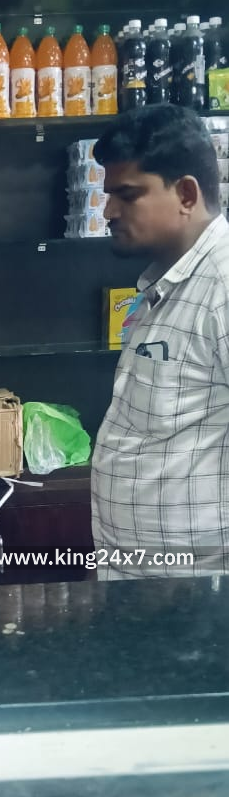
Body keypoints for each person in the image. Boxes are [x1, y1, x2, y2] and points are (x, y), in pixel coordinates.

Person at [91, 104, 229, 577]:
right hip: (147, 580)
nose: (108, 211)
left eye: (127, 195)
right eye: (109, 194)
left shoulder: (223, 284)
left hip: (197, 591)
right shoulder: (166, 284)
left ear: (186, 194)